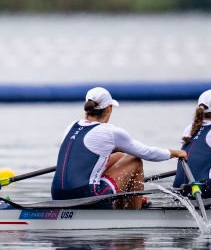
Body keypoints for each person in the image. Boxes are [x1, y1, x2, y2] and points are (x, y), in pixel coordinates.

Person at [53, 87, 187, 209]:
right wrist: (175, 153)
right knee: (134, 160)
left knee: (120, 156)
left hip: (57, 194)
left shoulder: (71, 126)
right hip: (87, 196)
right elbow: (147, 153)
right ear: (109, 108)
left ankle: (126, 201)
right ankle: (133, 212)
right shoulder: (110, 132)